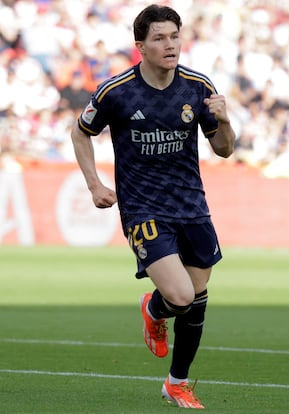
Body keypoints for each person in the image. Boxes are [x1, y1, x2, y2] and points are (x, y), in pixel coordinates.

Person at [71, 4, 235, 410]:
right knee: (179, 296)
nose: (170, 45)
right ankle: (157, 307)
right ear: (140, 46)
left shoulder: (198, 87)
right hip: (143, 208)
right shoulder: (117, 91)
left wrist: (226, 122)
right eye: (160, 38)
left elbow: (224, 150)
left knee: (197, 297)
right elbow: (80, 131)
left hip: (192, 207)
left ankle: (176, 383)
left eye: (175, 37)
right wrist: (94, 184)